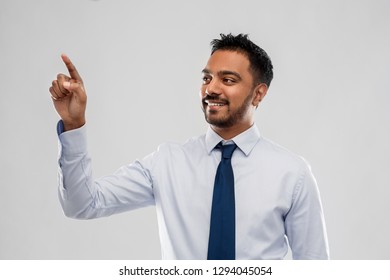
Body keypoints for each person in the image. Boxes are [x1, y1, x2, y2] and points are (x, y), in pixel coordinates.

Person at [50, 33, 329, 260]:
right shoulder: (167, 163)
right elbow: (82, 204)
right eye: (207, 78)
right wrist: (74, 125)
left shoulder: (292, 173)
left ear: (258, 93)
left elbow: (314, 267)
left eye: (228, 80)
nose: (212, 88)